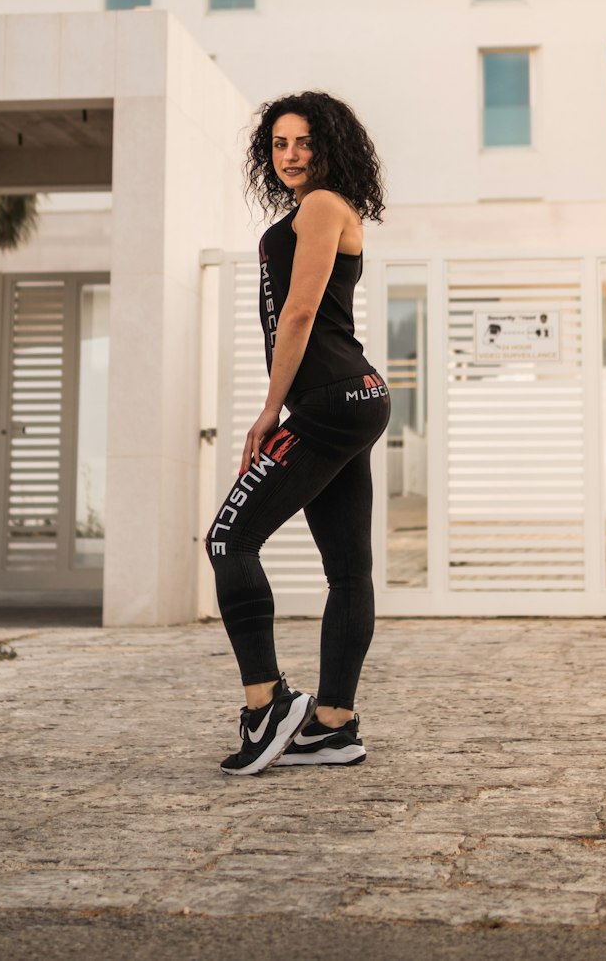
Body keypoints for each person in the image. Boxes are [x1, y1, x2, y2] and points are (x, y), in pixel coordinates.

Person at [205, 90, 390, 775]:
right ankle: (333, 727)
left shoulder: (321, 207)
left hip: (329, 400)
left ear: (330, 146)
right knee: (348, 571)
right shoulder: (326, 209)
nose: (290, 155)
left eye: (304, 142)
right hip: (353, 396)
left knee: (229, 538)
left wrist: (269, 411)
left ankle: (268, 708)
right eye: (280, 143)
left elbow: (300, 314)